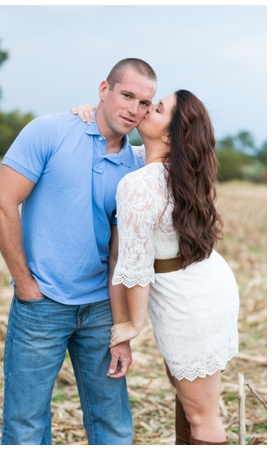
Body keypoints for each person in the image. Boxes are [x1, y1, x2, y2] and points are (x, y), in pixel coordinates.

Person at [0, 58, 157, 444]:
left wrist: (122, 328)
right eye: (127, 95)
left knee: (112, 422)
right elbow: (0, 204)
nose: (134, 109)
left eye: (145, 103)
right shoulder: (50, 131)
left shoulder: (136, 167)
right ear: (104, 90)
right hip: (41, 305)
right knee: (25, 424)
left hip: (101, 309)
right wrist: (25, 283)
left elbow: (121, 254)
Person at [71, 90, 239, 445]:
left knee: (201, 415)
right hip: (205, 285)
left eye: (157, 108)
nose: (145, 109)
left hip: (189, 301)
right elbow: (112, 142)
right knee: (188, 399)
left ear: (168, 136)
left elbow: (134, 267)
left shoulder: (138, 184)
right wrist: (88, 114)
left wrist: (132, 324)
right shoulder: (168, 169)